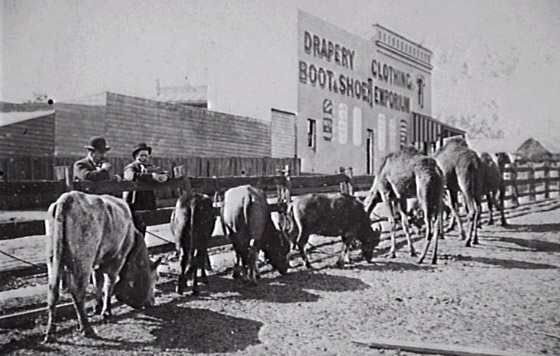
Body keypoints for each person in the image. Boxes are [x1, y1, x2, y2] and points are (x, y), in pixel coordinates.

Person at [123, 143, 169, 234]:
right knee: (133, 229)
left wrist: (164, 176)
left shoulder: (150, 167)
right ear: (136, 156)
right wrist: (151, 176)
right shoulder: (131, 167)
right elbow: (131, 176)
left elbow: (161, 173)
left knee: (143, 228)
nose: (144, 158)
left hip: (146, 202)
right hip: (134, 203)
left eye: (146, 156)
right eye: (142, 155)